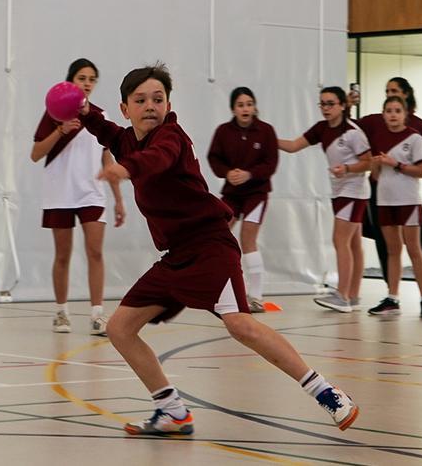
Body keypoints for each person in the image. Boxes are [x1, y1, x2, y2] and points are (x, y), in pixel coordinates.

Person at [80, 64, 358, 435]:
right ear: (125, 108)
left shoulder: (171, 137)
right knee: (120, 328)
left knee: (240, 324)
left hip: (209, 246)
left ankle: (327, 393)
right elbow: (106, 130)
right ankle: (173, 412)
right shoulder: (129, 139)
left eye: (158, 99)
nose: (150, 106)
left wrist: (126, 169)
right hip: (177, 256)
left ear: (168, 105)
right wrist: (85, 110)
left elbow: (157, 158)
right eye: (140, 100)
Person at [30, 58, 125, 335]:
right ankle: (61, 312)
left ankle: (97, 315)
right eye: (82, 78)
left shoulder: (100, 116)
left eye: (92, 79)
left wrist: (118, 199)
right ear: (71, 81)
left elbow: (107, 159)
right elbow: (35, 154)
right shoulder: (54, 113)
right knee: (63, 255)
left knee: (95, 252)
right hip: (60, 193)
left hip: (91, 194)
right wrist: (60, 130)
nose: (87, 83)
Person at [280, 87, 372, 313]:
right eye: (322, 104)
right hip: (338, 191)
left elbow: (368, 162)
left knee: (340, 240)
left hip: (354, 191)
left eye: (330, 103)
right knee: (353, 244)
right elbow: (293, 146)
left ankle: (342, 296)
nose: (326, 108)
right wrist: (267, 137)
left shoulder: (352, 132)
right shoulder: (321, 128)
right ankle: (353, 295)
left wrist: (347, 168)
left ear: (342, 105)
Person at [357, 78, 422, 317]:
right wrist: (375, 165)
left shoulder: (414, 137)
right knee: (392, 250)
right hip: (385, 200)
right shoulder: (378, 138)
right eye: (388, 111)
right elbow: (376, 175)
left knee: (414, 248)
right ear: (383, 114)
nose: (393, 115)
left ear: (405, 114)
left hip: (408, 201)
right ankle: (392, 298)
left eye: (397, 111)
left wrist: (396, 163)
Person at [207, 87, 279, 313]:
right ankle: (218, 289)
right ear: (233, 109)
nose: (245, 108)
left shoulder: (266, 131)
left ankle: (255, 296)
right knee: (218, 235)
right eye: (240, 105)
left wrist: (249, 174)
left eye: (249, 104)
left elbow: (270, 164)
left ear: (254, 107)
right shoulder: (223, 131)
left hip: (256, 194)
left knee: (248, 238)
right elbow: (214, 158)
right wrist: (227, 173)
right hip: (232, 194)